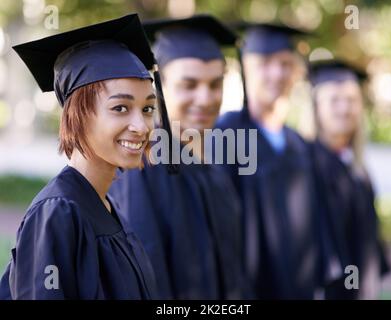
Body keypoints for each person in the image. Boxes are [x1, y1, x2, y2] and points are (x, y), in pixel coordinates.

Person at [0, 14, 172, 299]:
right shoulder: (58, 212)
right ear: (77, 115)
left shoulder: (106, 204)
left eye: (147, 109)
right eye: (120, 108)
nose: (141, 127)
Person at [109, 14, 247, 299]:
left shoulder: (215, 166)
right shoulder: (143, 166)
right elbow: (148, 278)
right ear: (158, 88)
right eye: (189, 85)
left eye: (214, 84)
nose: (206, 98)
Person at [216, 22, 320, 299]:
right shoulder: (226, 135)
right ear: (245, 69)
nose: (277, 73)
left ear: (296, 72)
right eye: (264, 63)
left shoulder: (298, 144)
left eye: (285, 64)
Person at [307, 60, 391, 299]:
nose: (344, 109)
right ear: (316, 107)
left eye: (352, 100)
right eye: (334, 100)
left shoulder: (358, 169)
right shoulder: (306, 164)